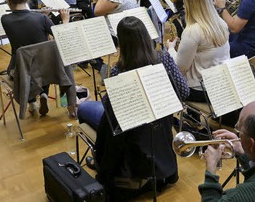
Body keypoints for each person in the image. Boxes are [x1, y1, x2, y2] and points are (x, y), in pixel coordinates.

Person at [77, 16, 188, 200]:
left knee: (85, 108)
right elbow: (184, 92)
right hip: (160, 128)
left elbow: (113, 113)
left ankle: (100, 159)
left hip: (130, 130)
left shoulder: (118, 70)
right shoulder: (164, 58)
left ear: (122, 43)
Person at [0, 0, 75, 117]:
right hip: (45, 68)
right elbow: (61, 37)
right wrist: (65, 20)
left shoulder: (5, 19)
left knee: (28, 66)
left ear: (8, 1)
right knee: (43, 64)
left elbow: (25, 28)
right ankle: (44, 93)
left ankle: (32, 102)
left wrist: (42, 16)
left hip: (20, 69)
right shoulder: (41, 18)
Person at [166, 0, 230, 101]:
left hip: (201, 89)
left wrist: (171, 49)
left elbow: (180, 68)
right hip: (222, 84)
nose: (184, 7)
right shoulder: (221, 23)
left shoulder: (192, 31)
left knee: (165, 78)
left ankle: (189, 115)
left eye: (185, 4)